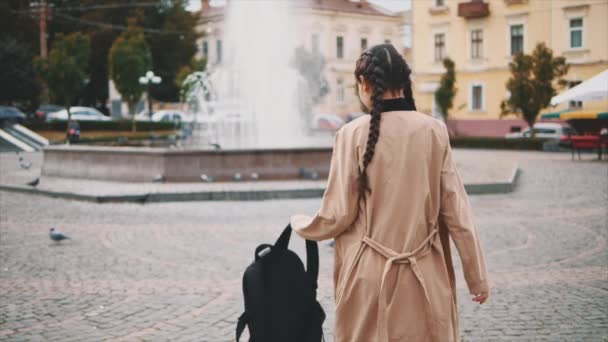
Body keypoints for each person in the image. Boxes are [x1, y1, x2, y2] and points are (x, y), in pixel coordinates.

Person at [290, 44, 489, 342]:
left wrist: (301, 224)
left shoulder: (350, 135)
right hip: (424, 278)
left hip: (367, 280)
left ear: (365, 84)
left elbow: (337, 215)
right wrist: (477, 278)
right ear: (403, 81)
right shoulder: (434, 131)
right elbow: (456, 212)